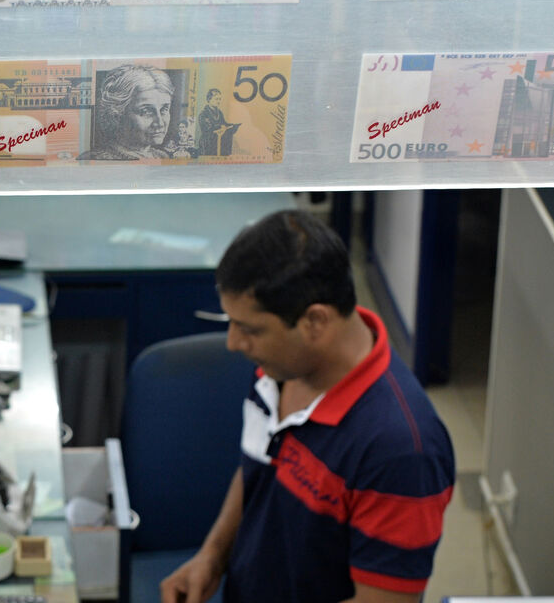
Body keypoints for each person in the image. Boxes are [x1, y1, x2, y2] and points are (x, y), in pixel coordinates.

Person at [161, 211, 455, 603]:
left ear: (315, 321)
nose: (232, 343)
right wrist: (212, 556)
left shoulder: (401, 451)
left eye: (249, 329)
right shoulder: (278, 367)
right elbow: (258, 466)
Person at [78, 64, 191, 161]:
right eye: (146, 111)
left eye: (164, 109)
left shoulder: (162, 156)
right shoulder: (93, 159)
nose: (160, 123)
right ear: (117, 114)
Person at [197, 88, 240, 157]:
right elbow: (208, 128)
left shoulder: (219, 112)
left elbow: (224, 123)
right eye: (216, 99)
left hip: (219, 140)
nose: (218, 101)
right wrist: (221, 127)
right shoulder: (203, 114)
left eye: (220, 99)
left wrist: (232, 125)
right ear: (209, 99)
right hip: (208, 142)